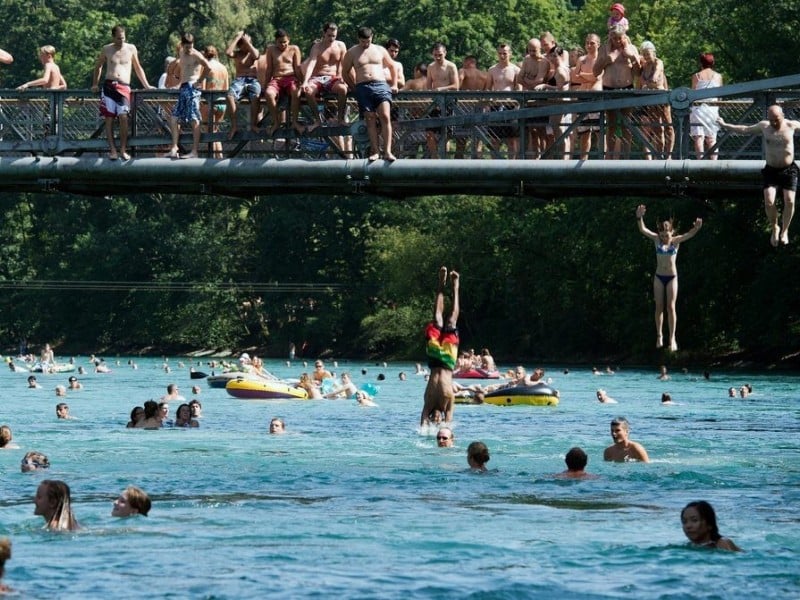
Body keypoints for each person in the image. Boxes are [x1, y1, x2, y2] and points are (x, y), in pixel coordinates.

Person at [718, 104, 799, 246]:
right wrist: (725, 125)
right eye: (771, 120)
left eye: (777, 120)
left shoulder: (792, 125)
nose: (774, 123)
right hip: (771, 170)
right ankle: (775, 227)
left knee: (790, 200)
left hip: (788, 169)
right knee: (768, 200)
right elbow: (745, 129)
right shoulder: (764, 126)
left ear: (783, 116)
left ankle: (785, 230)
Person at [636, 204, 703, 351]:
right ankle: (659, 335)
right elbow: (643, 229)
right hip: (659, 277)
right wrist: (639, 217)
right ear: (660, 234)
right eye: (662, 235)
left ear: (672, 232)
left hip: (672, 277)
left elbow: (689, 235)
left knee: (670, 307)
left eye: (667, 235)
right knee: (659, 306)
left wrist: (696, 228)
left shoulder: (676, 241)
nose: (665, 238)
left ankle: (672, 338)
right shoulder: (656, 240)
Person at [91, 24, 154, 160]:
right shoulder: (107, 49)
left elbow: (138, 68)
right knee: (109, 118)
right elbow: (98, 66)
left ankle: (123, 150)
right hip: (109, 86)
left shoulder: (131, 48)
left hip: (124, 86)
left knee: (124, 117)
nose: (121, 41)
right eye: (119, 38)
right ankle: (113, 150)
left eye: (123, 38)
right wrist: (95, 84)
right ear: (113, 37)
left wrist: (147, 85)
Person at [341, 26, 398, 162]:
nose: (365, 44)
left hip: (380, 85)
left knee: (385, 116)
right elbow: (345, 72)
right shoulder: (352, 52)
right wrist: (353, 87)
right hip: (363, 86)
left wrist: (394, 84)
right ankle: (376, 151)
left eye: (368, 41)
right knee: (370, 119)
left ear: (372, 37)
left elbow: (392, 66)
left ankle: (388, 151)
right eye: (363, 42)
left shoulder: (380, 50)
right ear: (358, 39)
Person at [420, 267, 460, 426]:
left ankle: (441, 283)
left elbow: (422, 424)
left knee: (437, 320)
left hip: (434, 359)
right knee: (451, 322)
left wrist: (425, 425)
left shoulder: (427, 404)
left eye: (433, 419)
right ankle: (456, 287)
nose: (435, 418)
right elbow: (449, 425)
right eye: (438, 420)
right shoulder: (448, 405)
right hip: (449, 361)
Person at [592, 25, 640, 158]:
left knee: (626, 125)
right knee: (611, 125)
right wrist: (605, 60)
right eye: (614, 39)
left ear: (624, 37)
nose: (617, 41)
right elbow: (595, 72)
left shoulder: (631, 48)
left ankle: (627, 157)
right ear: (610, 38)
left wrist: (632, 58)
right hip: (609, 89)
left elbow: (638, 73)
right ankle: (610, 157)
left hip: (627, 89)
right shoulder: (604, 50)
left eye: (619, 38)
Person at [167, 33, 211, 159]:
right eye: (187, 47)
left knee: (194, 118)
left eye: (191, 46)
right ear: (182, 45)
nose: (189, 49)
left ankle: (194, 151)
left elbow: (207, 67)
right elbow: (183, 69)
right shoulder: (181, 52)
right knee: (174, 117)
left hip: (192, 88)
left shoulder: (196, 55)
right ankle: (174, 147)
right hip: (183, 87)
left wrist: (199, 81)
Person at [299, 23, 349, 130]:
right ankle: (317, 121)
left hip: (333, 77)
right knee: (308, 91)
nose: (331, 38)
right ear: (324, 33)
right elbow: (312, 63)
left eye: (334, 36)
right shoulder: (317, 47)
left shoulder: (341, 45)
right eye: (329, 35)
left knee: (343, 89)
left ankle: (340, 119)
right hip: (318, 77)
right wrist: (305, 81)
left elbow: (343, 63)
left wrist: (341, 76)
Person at [263, 29, 304, 136]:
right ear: (276, 41)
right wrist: (265, 86)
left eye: (285, 42)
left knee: (296, 92)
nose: (283, 44)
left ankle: (294, 122)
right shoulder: (271, 50)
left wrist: (303, 83)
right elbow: (269, 70)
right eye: (280, 42)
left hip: (291, 78)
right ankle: (276, 122)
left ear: (289, 40)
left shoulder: (294, 49)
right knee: (268, 93)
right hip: (276, 79)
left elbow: (298, 68)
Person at [637, 41, 674, 159]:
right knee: (658, 128)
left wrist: (650, 80)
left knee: (668, 126)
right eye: (644, 54)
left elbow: (656, 75)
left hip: (662, 98)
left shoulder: (659, 62)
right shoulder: (644, 66)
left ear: (654, 52)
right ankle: (659, 156)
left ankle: (668, 156)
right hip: (651, 100)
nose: (647, 56)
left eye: (648, 53)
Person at [485, 43, 521, 159]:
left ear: (510, 54)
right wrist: (487, 105)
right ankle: (495, 166)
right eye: (500, 53)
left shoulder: (516, 70)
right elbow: (488, 89)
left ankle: (512, 167)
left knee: (512, 140)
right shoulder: (492, 70)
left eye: (504, 53)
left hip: (511, 106)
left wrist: (517, 104)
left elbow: (519, 89)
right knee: (494, 140)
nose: (502, 56)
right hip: (495, 106)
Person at [425, 43, 459, 159]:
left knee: (446, 134)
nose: (438, 58)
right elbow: (428, 86)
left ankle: (444, 160)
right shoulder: (430, 67)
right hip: (435, 103)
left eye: (440, 55)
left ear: (445, 53)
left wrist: (441, 89)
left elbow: (456, 86)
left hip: (448, 103)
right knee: (429, 133)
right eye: (435, 55)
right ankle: (435, 158)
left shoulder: (451, 66)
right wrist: (431, 96)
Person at [573, 33, 604, 160]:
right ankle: (582, 163)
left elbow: (598, 77)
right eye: (587, 43)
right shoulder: (581, 60)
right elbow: (574, 77)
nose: (589, 45)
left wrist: (583, 75)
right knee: (584, 133)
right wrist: (590, 78)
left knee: (599, 132)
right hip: (582, 98)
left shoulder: (601, 59)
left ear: (598, 44)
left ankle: (604, 162)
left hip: (597, 99)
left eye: (592, 43)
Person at [225, 31, 261, 138]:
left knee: (256, 97)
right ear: (240, 45)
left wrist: (248, 43)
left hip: (252, 80)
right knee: (229, 96)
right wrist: (237, 37)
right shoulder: (237, 54)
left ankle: (253, 124)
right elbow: (228, 53)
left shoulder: (253, 52)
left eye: (248, 43)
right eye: (244, 44)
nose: (246, 46)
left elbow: (257, 56)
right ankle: (234, 126)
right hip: (239, 80)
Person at [690, 53, 723, 160]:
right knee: (712, 138)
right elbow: (719, 95)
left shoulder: (696, 76)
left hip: (698, 110)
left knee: (699, 137)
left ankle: (700, 164)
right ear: (713, 63)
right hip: (712, 110)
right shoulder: (718, 76)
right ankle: (714, 165)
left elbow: (693, 94)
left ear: (701, 63)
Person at [202, 45, 230, 158]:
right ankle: (220, 159)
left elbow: (203, 87)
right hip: (222, 103)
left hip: (209, 102)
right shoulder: (223, 68)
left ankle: (211, 161)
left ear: (205, 54)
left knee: (210, 133)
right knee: (215, 132)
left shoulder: (206, 67)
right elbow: (226, 88)